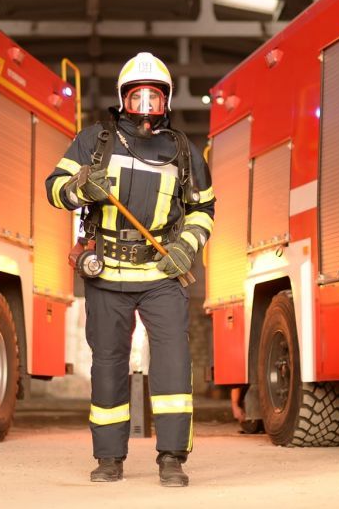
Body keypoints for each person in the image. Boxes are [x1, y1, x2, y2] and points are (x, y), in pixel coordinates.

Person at [45, 52, 215, 487]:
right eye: (136, 96)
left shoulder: (182, 151)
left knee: (174, 365)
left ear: (166, 101)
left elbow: (203, 208)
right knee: (108, 366)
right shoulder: (93, 142)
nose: (144, 105)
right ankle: (109, 459)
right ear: (122, 98)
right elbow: (54, 189)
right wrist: (80, 185)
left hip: (162, 275)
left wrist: (186, 248)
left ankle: (172, 458)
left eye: (153, 97)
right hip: (107, 276)